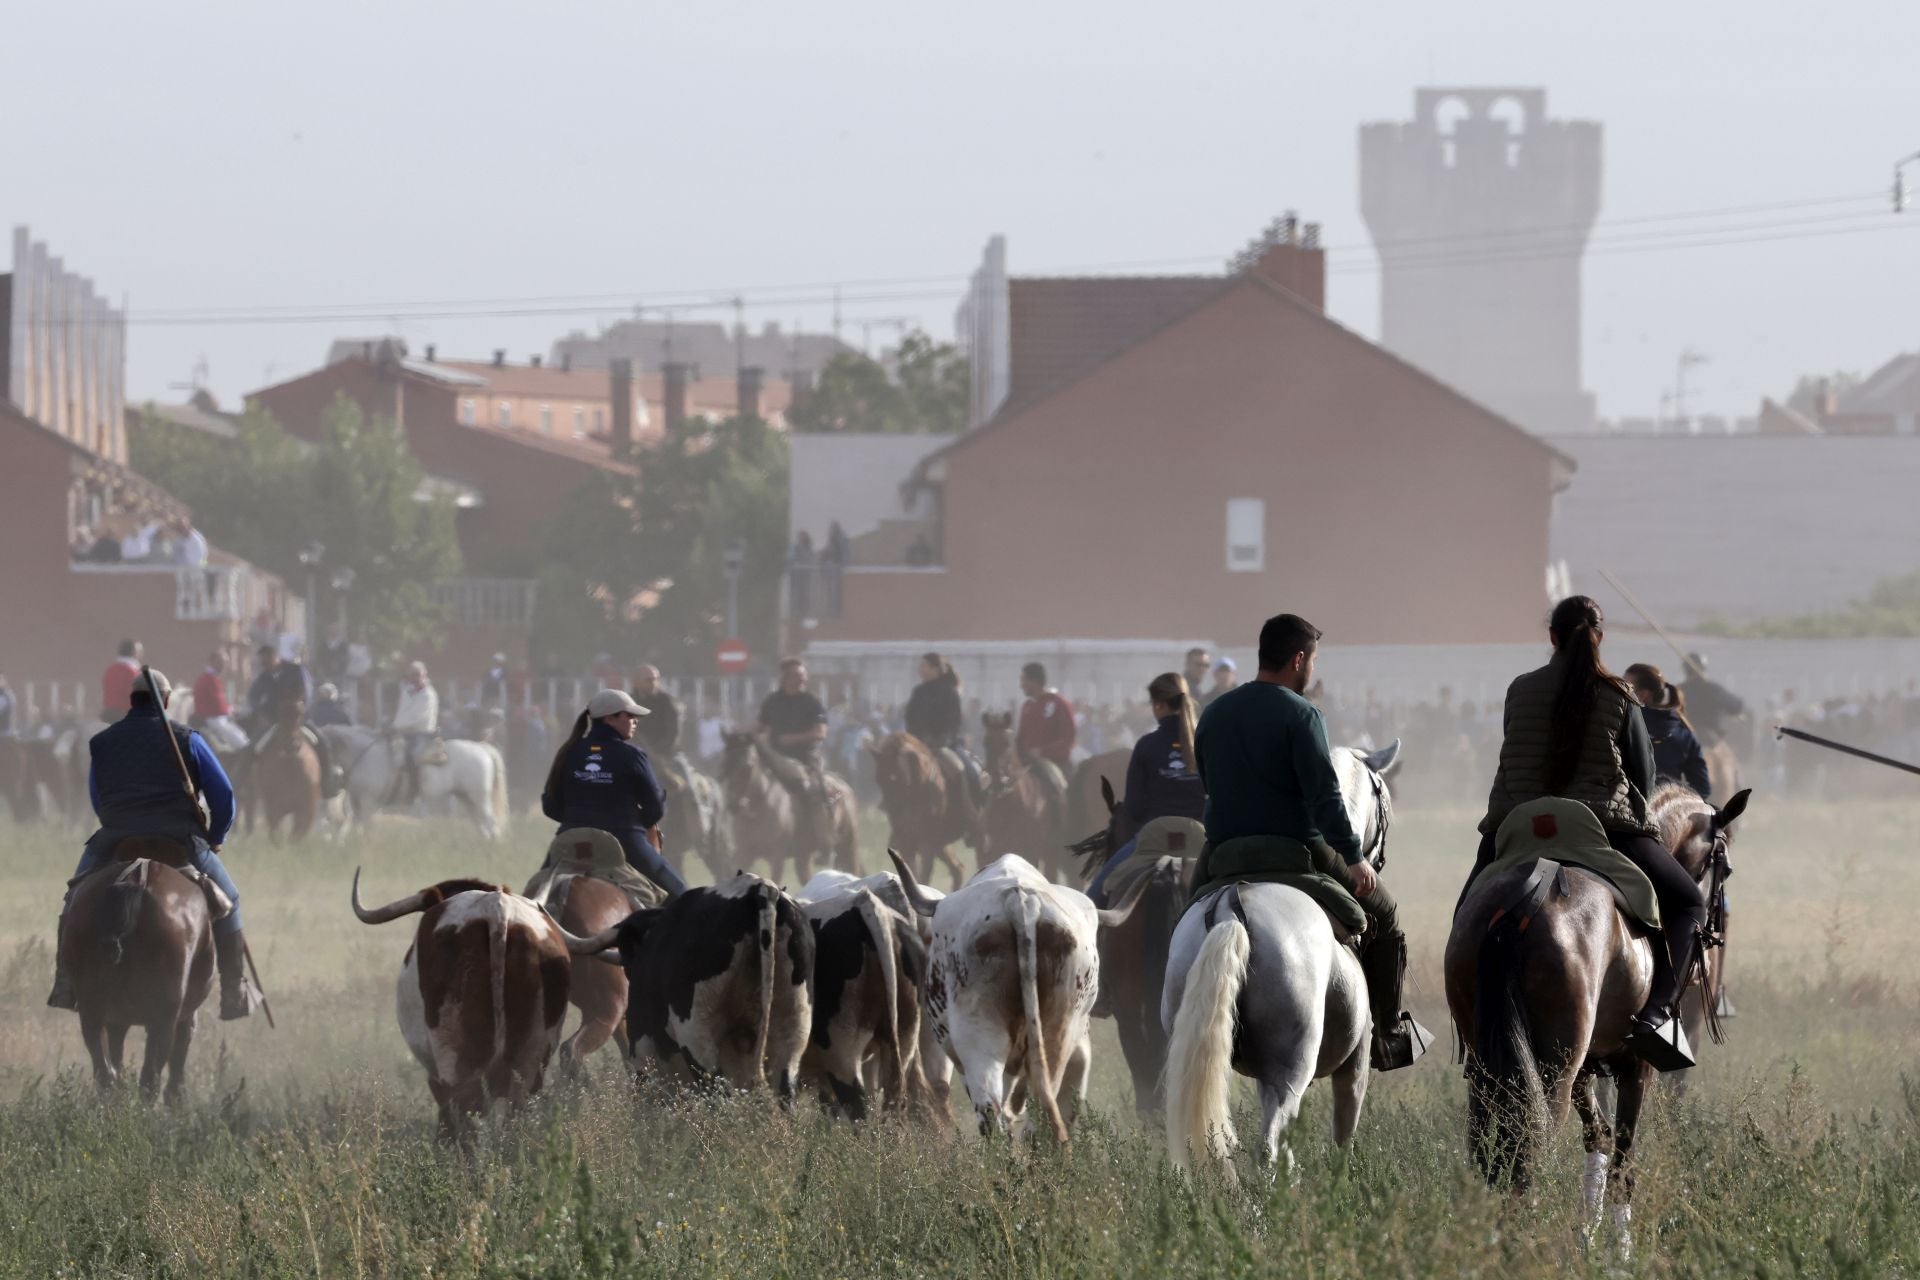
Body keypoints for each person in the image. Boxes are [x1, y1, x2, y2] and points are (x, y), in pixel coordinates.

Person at [1468, 596, 1708, 1066]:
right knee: (1689, 902)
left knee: (1469, 911)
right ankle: (1658, 1015)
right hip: (1604, 830)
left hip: (1518, 827)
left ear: (1552, 637)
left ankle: (1473, 1032)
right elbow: (1643, 775)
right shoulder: (1620, 696)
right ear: (1599, 637)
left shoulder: (1519, 690)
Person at [1196, 613, 1428, 1071]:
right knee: (1387, 913)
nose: (1312, 672)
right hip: (1297, 849)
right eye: (1313, 662)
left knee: (1184, 920)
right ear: (1299, 658)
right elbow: (1325, 797)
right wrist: (1356, 857)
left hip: (1223, 851)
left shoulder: (1215, 713)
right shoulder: (1303, 715)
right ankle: (1388, 1035)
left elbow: (1209, 781)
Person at [48, 669, 260, 1020]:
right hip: (179, 839)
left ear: (133, 700)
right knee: (231, 900)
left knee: (73, 898)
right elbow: (224, 797)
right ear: (165, 700)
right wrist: (216, 836)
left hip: (117, 837)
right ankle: (233, 991)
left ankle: (66, 982)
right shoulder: (188, 739)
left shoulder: (102, 742)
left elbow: (98, 800)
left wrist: (121, 819)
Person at [540, 689, 685, 896]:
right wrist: (632, 822)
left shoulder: (568, 752)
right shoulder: (633, 755)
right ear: (610, 718)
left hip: (571, 839)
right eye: (630, 715)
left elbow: (550, 805)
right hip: (625, 840)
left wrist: (579, 819)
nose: (635, 721)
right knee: (681, 892)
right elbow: (655, 808)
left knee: (534, 899)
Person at [1087, 672, 1208, 903]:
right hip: (1200, 839)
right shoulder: (1206, 743)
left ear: (1159, 705)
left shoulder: (1146, 745)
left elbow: (1135, 807)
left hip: (1154, 837)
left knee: (1094, 895)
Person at [904, 652, 983, 820]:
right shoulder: (918, 692)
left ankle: (973, 816)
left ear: (935, 669)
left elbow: (953, 723)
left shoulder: (950, 692)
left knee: (969, 773)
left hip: (947, 745)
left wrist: (940, 741)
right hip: (919, 744)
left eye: (924, 666)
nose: (920, 670)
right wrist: (917, 739)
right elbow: (910, 719)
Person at [1626, 663, 1712, 798]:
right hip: (1667, 810)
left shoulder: (1625, 726)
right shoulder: (1685, 734)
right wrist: (1671, 797)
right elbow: (1702, 788)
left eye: (1626, 687)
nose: (1620, 692)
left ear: (1643, 695)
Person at [1014, 663, 1076, 798]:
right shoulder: (1027, 707)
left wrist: (1042, 752)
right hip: (1028, 766)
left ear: (1034, 681)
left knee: (1063, 797)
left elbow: (1068, 739)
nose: (1021, 685)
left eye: (1023, 680)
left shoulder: (1059, 703)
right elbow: (1021, 738)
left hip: (1056, 765)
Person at [389, 661, 440, 801]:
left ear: (425, 675)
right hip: (403, 732)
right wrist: (394, 726)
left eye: (418, 675)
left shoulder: (428, 695)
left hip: (422, 733)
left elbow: (419, 719)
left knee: (413, 755)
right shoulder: (407, 691)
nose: (414, 678)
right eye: (412, 675)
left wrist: (396, 727)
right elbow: (401, 713)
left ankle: (415, 790)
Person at [1680, 652, 1748, 747]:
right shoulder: (1713, 689)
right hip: (1709, 742)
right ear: (1703, 668)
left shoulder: (1677, 691)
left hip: (1682, 741)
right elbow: (1737, 706)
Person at [191, 651, 250, 752]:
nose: (224, 666)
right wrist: (230, 710)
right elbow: (217, 704)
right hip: (213, 719)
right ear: (212, 662)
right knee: (241, 742)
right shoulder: (208, 679)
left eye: (226, 663)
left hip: (218, 717)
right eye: (221, 662)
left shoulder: (212, 678)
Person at [631, 665, 683, 759]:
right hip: (635, 754)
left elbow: (673, 734)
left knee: (680, 770)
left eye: (655, 679)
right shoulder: (629, 703)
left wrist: (655, 752)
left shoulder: (667, 702)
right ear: (637, 682)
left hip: (664, 755)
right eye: (648, 680)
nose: (653, 683)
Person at [101, 640, 143, 724]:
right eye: (140, 652)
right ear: (134, 653)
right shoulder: (134, 672)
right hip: (126, 715)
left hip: (108, 714)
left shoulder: (110, 669)